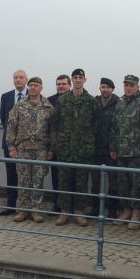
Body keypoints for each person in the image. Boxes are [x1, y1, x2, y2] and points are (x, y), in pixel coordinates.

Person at [52, 68, 99, 227]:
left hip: (83, 150)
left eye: (80, 77)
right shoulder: (62, 101)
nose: (78, 80)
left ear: (85, 79)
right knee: (63, 182)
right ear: (72, 80)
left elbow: (96, 124)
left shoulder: (91, 101)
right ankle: (64, 212)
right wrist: (58, 144)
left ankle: (79, 212)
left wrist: (88, 141)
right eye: (75, 77)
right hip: (65, 149)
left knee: (81, 183)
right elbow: (56, 124)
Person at [5, 77, 54, 223]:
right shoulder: (20, 105)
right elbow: (11, 125)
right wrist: (11, 146)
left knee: (38, 180)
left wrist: (51, 149)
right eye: (30, 85)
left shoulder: (48, 107)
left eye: (36, 85)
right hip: (23, 148)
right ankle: (22, 210)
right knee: (23, 180)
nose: (33, 87)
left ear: (41, 87)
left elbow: (53, 130)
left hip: (41, 149)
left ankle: (36, 210)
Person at [109, 75, 140, 230]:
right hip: (121, 152)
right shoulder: (120, 103)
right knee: (123, 184)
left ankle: (136, 213)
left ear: (137, 87)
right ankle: (126, 211)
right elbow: (114, 127)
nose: (128, 88)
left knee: (138, 185)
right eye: (126, 85)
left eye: (131, 85)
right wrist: (112, 147)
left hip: (137, 153)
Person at [0, 69, 28, 215]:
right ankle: (11, 205)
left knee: (26, 175)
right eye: (16, 77)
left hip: (27, 144)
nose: (18, 80)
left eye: (21, 77)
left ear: (26, 80)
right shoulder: (6, 96)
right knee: (11, 174)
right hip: (9, 143)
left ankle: (25, 207)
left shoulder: (33, 95)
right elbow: (3, 119)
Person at [92, 77, 120, 218]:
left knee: (114, 183)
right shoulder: (94, 102)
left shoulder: (118, 103)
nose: (105, 90)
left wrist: (114, 147)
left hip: (111, 150)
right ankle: (95, 209)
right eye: (103, 87)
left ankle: (112, 211)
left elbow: (119, 127)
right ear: (100, 88)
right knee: (95, 182)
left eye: (108, 87)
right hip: (96, 149)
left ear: (112, 89)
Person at [47, 74, 71, 213]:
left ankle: (70, 207)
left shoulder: (74, 99)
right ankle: (57, 205)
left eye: (64, 84)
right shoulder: (49, 101)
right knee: (55, 177)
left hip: (71, 146)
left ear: (69, 85)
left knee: (70, 178)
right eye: (59, 84)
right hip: (55, 146)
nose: (61, 86)